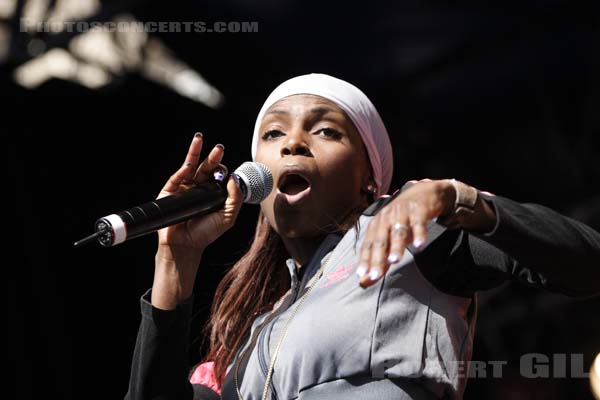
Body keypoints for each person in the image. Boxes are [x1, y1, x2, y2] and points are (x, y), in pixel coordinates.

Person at [124, 73, 600, 400]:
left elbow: (586, 265)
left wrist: (462, 202)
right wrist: (174, 263)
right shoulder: (247, 341)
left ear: (369, 176)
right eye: (272, 135)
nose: (292, 143)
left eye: (326, 130)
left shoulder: (414, 231)